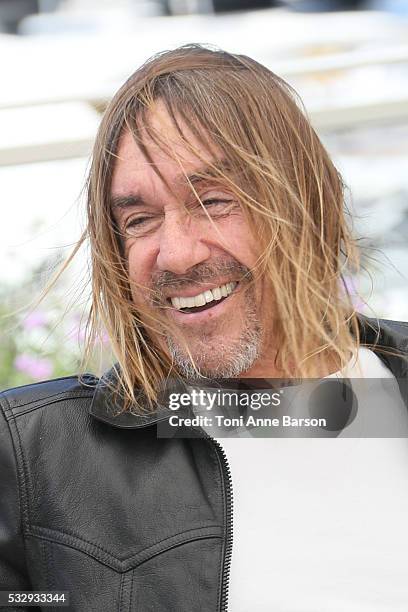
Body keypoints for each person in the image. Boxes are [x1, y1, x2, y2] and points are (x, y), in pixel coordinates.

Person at [1, 43, 408, 611]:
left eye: (213, 201)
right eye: (139, 220)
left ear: (305, 202)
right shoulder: (33, 458)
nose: (176, 255)